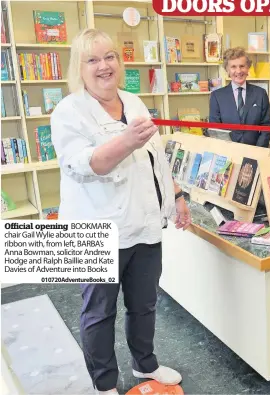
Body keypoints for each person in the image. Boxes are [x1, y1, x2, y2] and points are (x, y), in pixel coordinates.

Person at [50, 28, 191, 394]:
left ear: (120, 61)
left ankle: (145, 365)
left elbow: (156, 158)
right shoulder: (69, 111)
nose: (103, 66)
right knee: (98, 314)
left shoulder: (135, 101)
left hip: (143, 225)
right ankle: (104, 383)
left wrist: (177, 196)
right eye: (92, 59)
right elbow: (84, 164)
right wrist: (125, 141)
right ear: (78, 68)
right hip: (96, 232)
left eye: (109, 56)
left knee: (144, 304)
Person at [209, 47, 270, 147]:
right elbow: (216, 131)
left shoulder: (260, 94)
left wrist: (258, 151)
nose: (238, 71)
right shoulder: (217, 96)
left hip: (255, 152)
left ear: (248, 68)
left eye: (242, 66)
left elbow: (266, 126)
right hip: (228, 155)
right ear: (227, 70)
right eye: (233, 67)